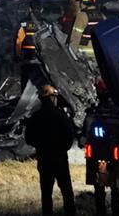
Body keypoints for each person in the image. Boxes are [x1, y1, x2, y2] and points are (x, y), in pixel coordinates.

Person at [25, 85, 77, 215]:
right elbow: (69, 136)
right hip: (60, 158)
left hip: (44, 159)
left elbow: (28, 138)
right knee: (66, 192)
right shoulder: (60, 115)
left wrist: (40, 146)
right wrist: (62, 148)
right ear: (53, 98)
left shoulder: (35, 117)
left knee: (46, 193)